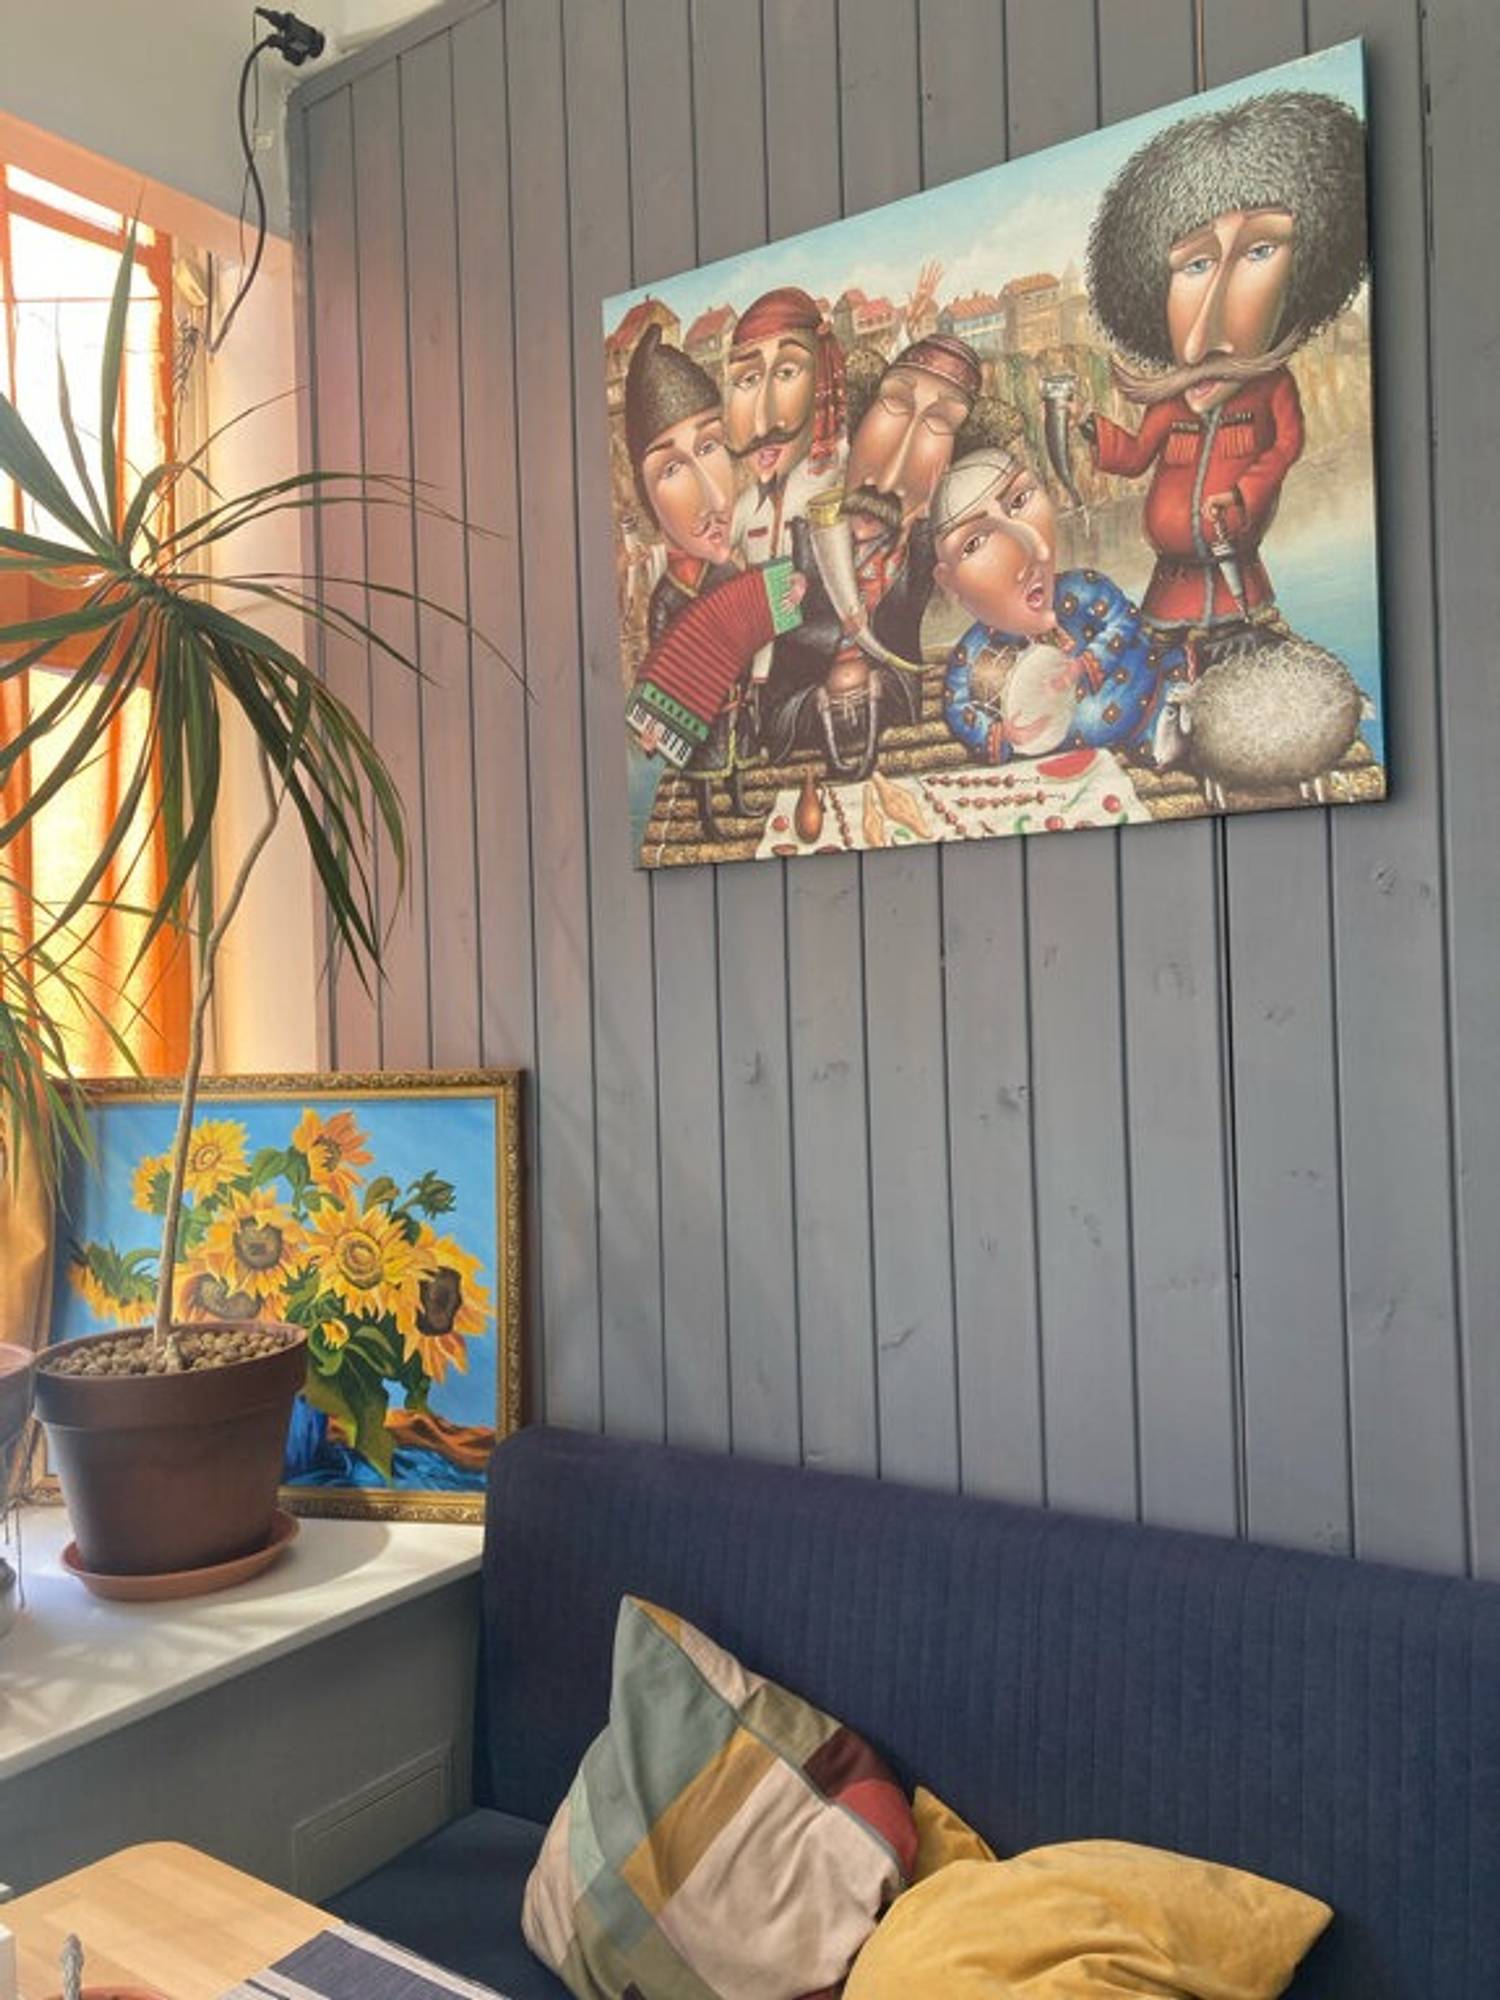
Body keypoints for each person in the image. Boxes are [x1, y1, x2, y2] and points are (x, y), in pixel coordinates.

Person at [1074, 89, 1367, 652]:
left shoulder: (1271, 389)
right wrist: (1095, 434)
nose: (1207, 330)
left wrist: (1245, 494)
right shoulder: (1170, 402)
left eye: (1259, 252)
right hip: (1167, 596)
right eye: (1196, 264)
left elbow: (1284, 447)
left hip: (1239, 591)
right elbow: (1134, 456)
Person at [762, 332, 984, 778]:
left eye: (940, 422)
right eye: (896, 402)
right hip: (797, 709)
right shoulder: (787, 535)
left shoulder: (923, 550)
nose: (891, 472)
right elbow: (766, 647)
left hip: (893, 697)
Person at [622, 324, 803, 838]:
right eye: (671, 470)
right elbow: (663, 667)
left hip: (736, 700)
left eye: (710, 446)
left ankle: (738, 801)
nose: (714, 496)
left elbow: (755, 624)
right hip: (700, 714)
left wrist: (787, 599)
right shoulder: (666, 597)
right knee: (704, 766)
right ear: (647, 500)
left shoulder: (730, 573)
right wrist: (655, 722)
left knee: (734, 758)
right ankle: (708, 816)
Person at [931, 446, 1191, 764]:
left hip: (1155, 697)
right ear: (949, 583)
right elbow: (957, 707)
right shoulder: (975, 652)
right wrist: (1002, 733)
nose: (1035, 549)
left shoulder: (1081, 590)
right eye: (974, 543)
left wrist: (1083, 665)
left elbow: (1123, 619)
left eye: (1019, 501)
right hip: (1091, 757)